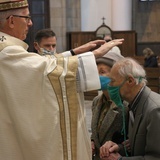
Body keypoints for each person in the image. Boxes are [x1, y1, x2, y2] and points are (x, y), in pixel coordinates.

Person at [0, 0, 124, 160]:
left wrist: (73, 53)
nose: (30, 23)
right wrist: (95, 55)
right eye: (27, 17)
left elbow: (42, 66)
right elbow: (45, 71)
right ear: (11, 21)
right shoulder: (6, 53)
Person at [99, 57, 160, 160]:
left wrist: (120, 159)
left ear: (130, 81)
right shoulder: (134, 103)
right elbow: (138, 144)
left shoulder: (154, 110)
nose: (110, 85)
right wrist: (119, 147)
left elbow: (155, 157)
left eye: (113, 81)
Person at [91, 51, 129, 160]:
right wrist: (92, 141)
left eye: (102, 72)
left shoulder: (126, 104)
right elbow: (96, 131)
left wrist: (119, 147)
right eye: (95, 72)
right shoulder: (96, 101)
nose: (97, 76)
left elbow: (134, 140)